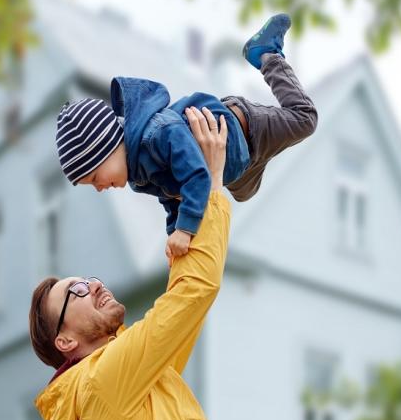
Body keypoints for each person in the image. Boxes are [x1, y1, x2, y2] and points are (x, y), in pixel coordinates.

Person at [30, 107, 242, 420]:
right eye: (74, 292)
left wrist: (187, 209)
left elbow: (183, 307)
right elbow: (194, 293)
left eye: (86, 278)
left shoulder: (137, 376)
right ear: (66, 341)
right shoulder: (100, 384)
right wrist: (212, 187)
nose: (92, 285)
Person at [54, 13, 317, 264]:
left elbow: (196, 176)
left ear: (106, 147)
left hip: (247, 129)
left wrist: (186, 229)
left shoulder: (158, 134)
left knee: (305, 119)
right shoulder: (138, 174)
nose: (99, 188)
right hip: (239, 166)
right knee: (245, 194)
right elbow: (171, 197)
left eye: (94, 178)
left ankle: (266, 54)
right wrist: (174, 236)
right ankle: (262, 156)